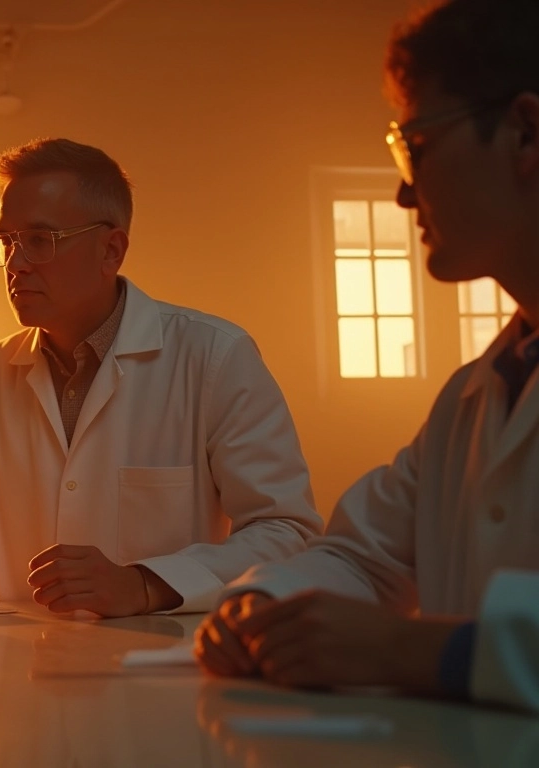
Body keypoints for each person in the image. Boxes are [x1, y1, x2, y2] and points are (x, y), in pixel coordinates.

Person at [194, 0, 539, 714]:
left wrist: (410, 649)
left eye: (416, 144)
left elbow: (393, 629)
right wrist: (262, 605)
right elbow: (363, 553)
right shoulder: (472, 398)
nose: (404, 191)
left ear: (527, 133)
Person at [0, 138, 322, 617]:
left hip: (163, 671)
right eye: (6, 242)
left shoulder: (213, 355)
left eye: (40, 241)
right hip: (24, 672)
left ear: (112, 249)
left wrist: (145, 584)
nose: (16, 264)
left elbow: (285, 532)